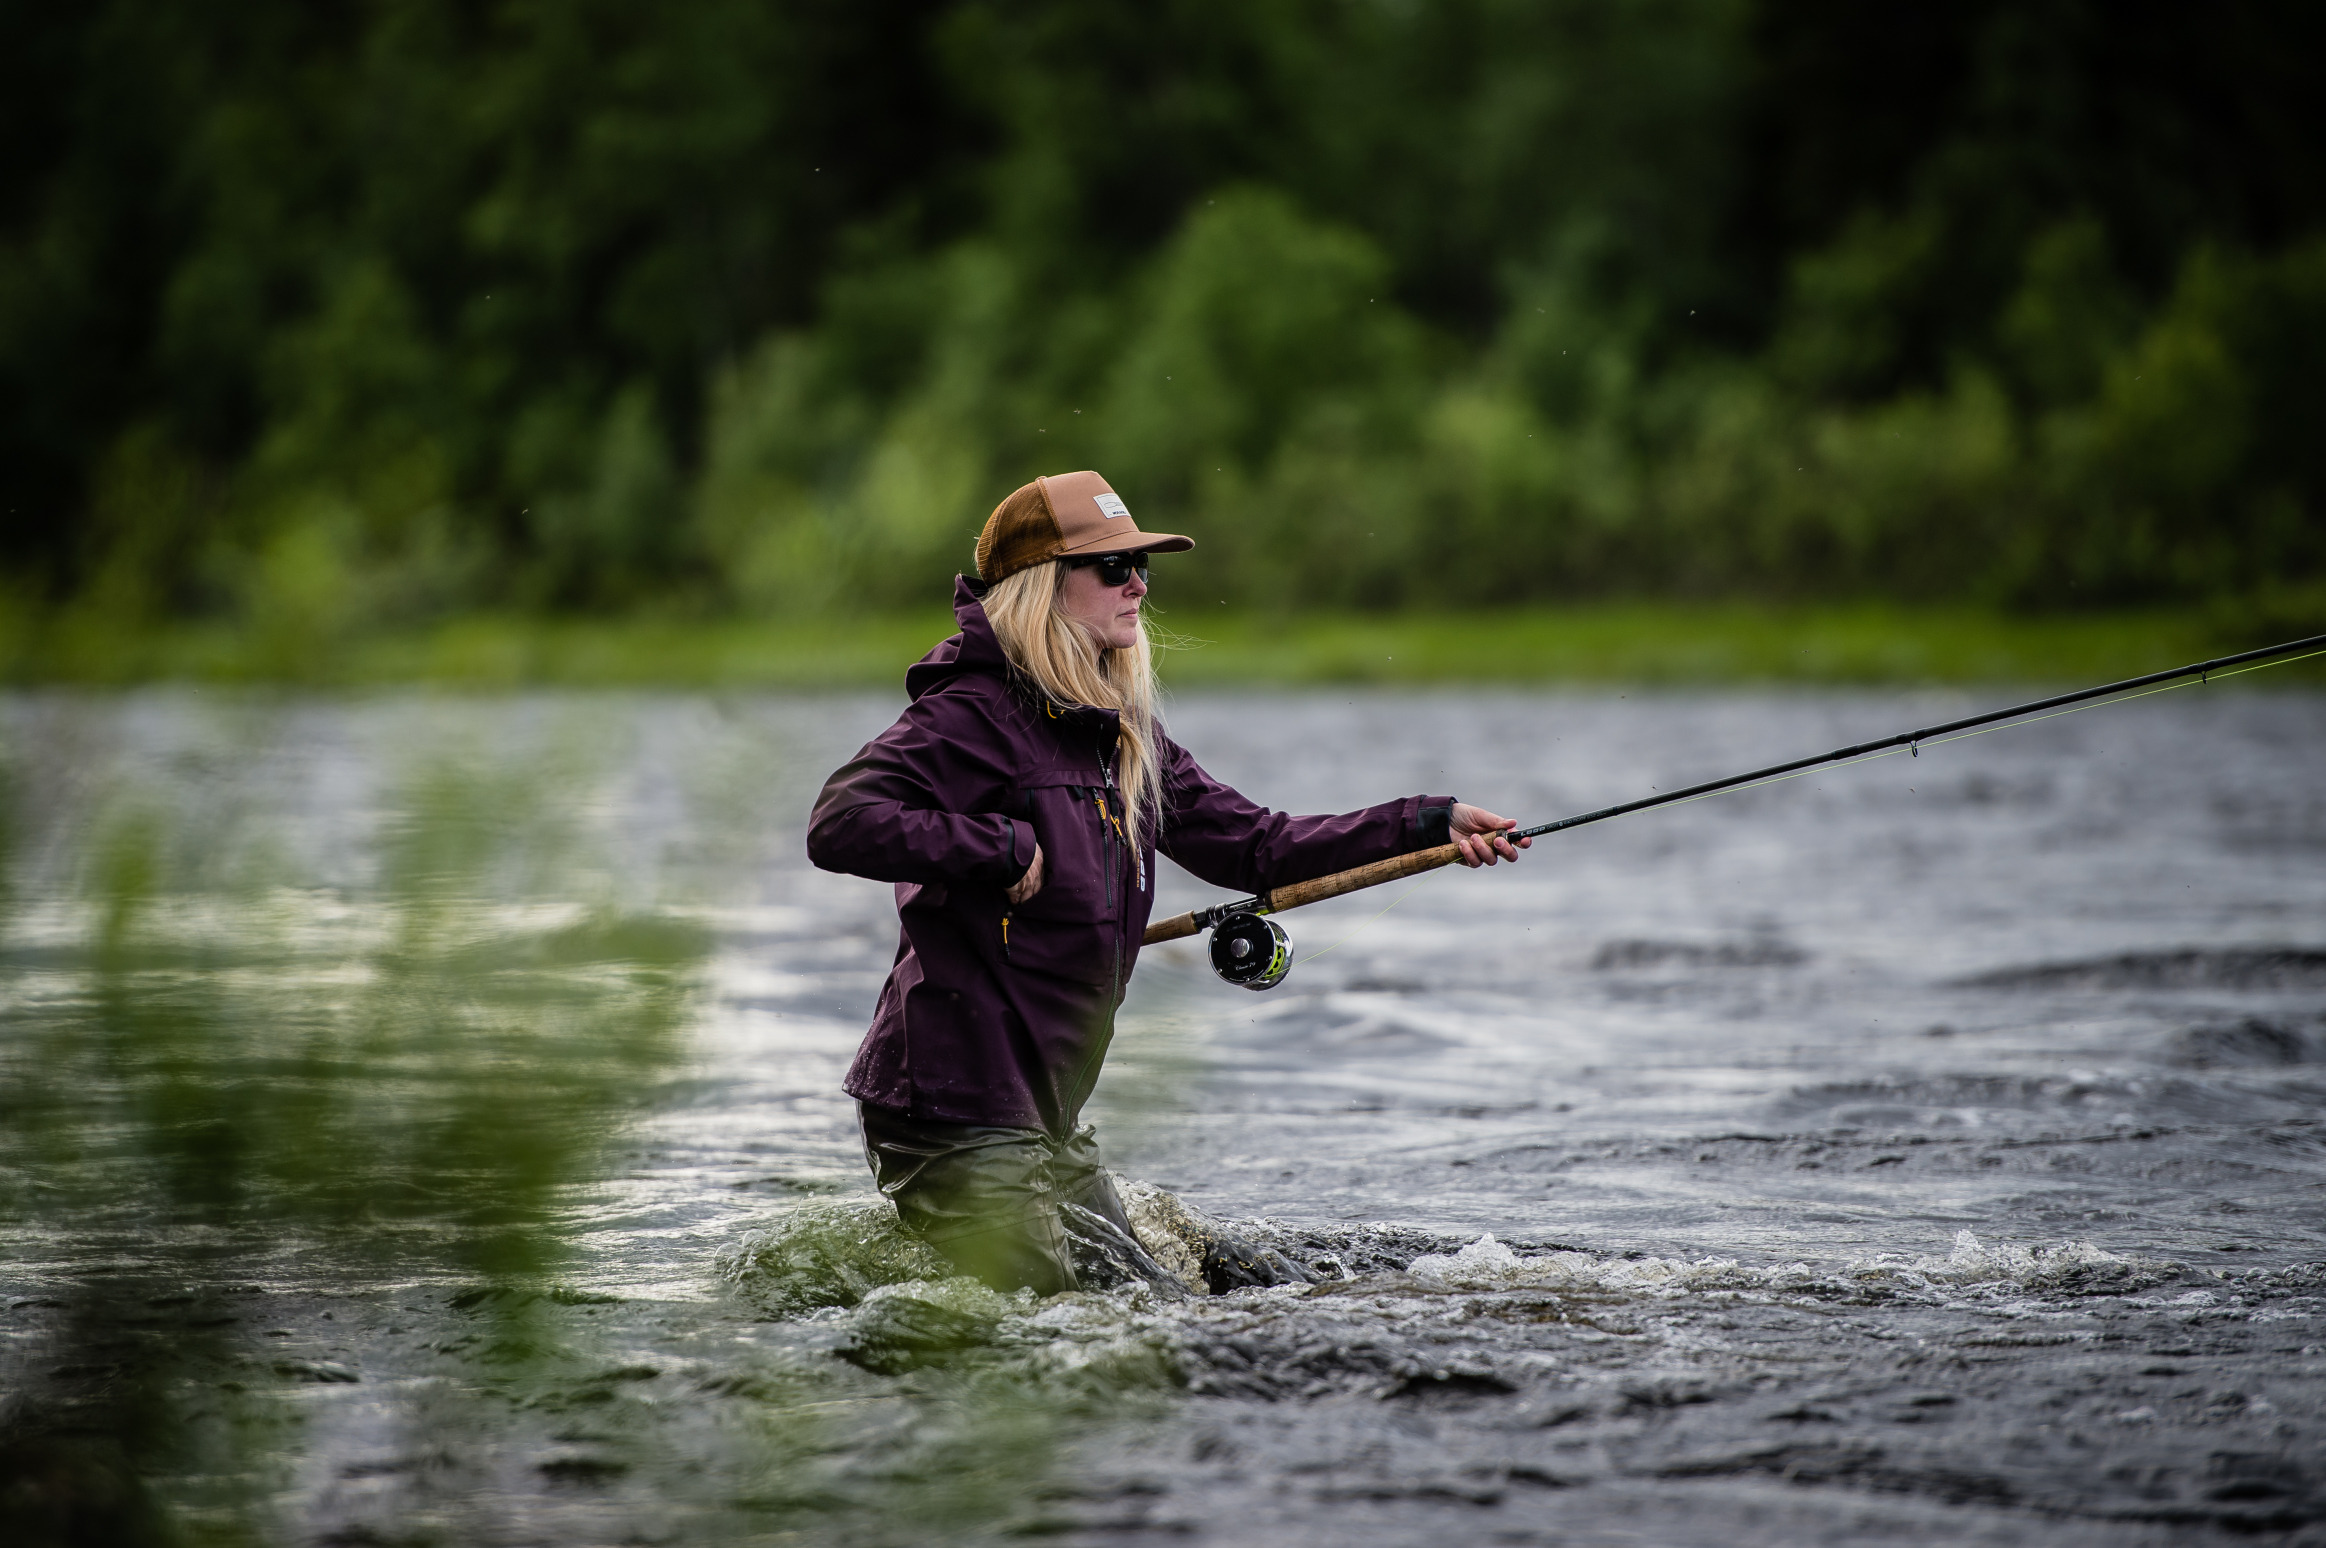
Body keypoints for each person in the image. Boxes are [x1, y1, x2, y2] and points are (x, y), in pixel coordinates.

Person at [807, 470, 1528, 1294]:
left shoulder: (1124, 735)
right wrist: (998, 847)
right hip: (947, 1111)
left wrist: (1426, 823)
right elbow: (841, 820)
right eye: (1114, 566)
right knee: (1069, 1327)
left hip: (1046, 1116)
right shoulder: (969, 715)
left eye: (1141, 565)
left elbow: (1260, 847)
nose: (1139, 586)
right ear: (1044, 585)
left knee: (1171, 1302)